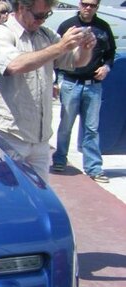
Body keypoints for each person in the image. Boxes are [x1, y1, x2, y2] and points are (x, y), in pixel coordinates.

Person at [0, 0, 96, 182]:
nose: (42, 20)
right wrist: (59, 47)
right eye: (38, 15)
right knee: (10, 194)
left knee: (40, 197)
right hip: (9, 134)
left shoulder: (46, 35)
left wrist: (85, 48)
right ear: (22, 8)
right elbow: (14, 65)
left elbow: (75, 61)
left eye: (46, 15)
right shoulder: (2, 35)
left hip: (40, 137)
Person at [52, 0, 115, 183]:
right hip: (71, 82)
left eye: (92, 5)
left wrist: (107, 68)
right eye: (85, 4)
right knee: (66, 125)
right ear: (79, 4)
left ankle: (94, 168)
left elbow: (111, 53)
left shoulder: (103, 28)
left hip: (93, 85)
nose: (88, 8)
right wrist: (55, 81)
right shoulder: (67, 26)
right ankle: (60, 160)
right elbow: (56, 53)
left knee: (92, 128)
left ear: (97, 7)